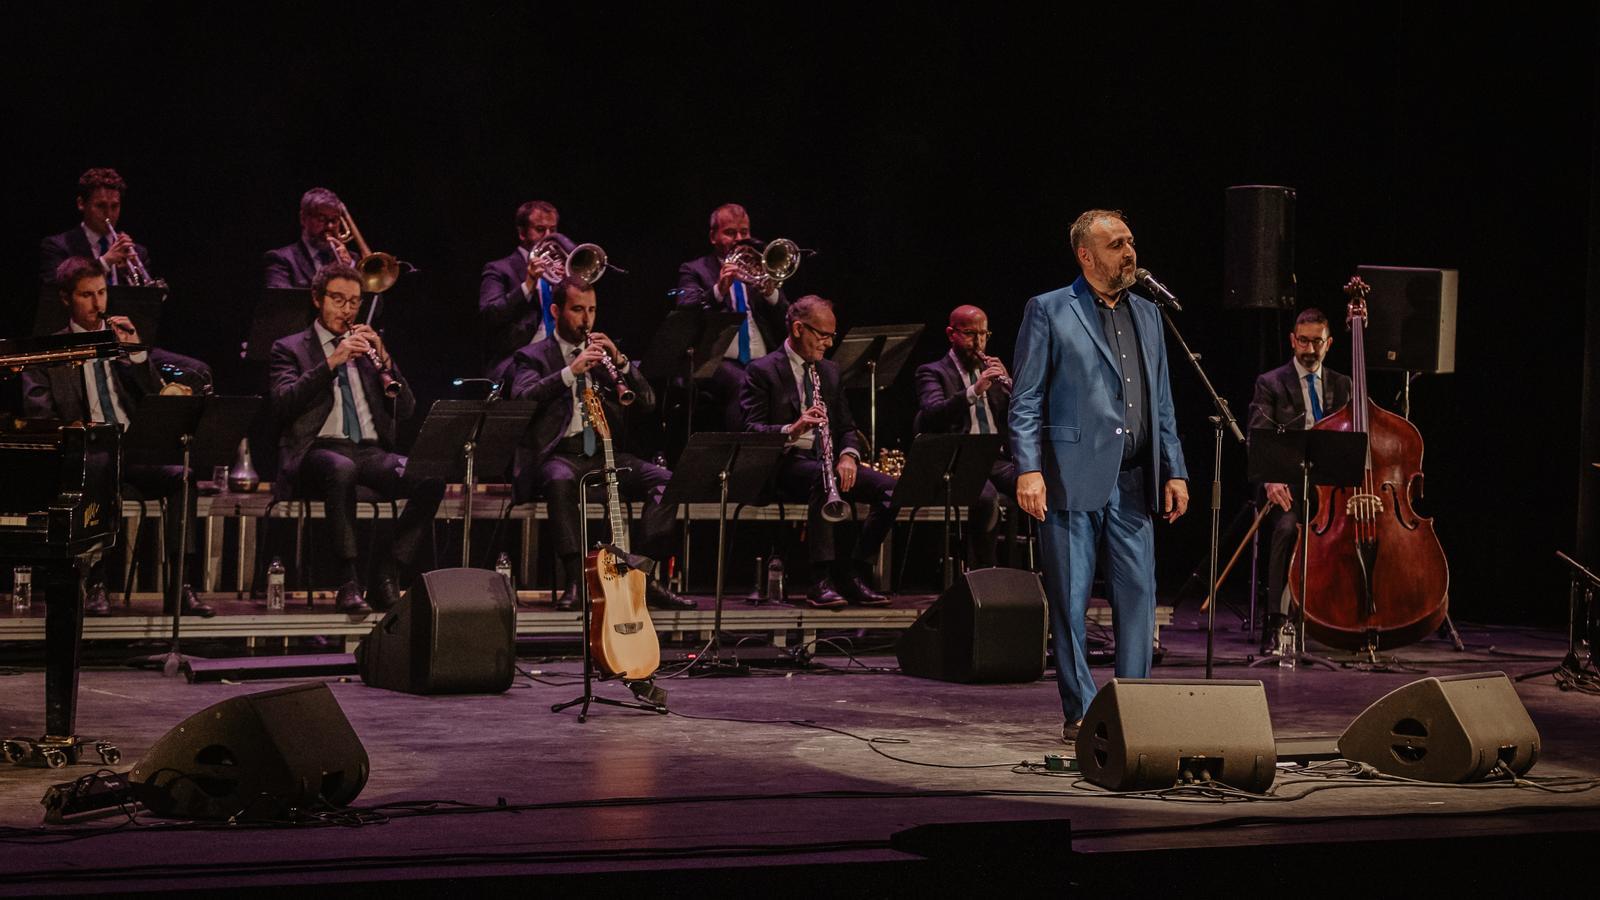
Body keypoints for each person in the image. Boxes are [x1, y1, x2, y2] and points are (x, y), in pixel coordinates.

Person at [1010, 209, 1189, 743]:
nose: (1129, 252)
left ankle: (1133, 705)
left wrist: (1174, 468)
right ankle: (1082, 710)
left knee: (1139, 595)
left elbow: (1162, 403)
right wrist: (1029, 469)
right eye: (1116, 245)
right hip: (1068, 475)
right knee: (1069, 599)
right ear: (1085, 256)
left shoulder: (1150, 315)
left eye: (1131, 241)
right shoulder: (1048, 310)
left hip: (1134, 478)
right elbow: (1025, 399)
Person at [22, 257, 213, 618]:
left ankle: (181, 587)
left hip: (134, 449)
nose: (98, 305)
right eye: (86, 296)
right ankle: (96, 582)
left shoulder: (123, 343)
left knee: (183, 479)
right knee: (102, 467)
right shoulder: (47, 352)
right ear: (66, 299)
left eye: (102, 293)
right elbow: (39, 417)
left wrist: (138, 354)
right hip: (86, 454)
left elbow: (159, 396)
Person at [507, 276, 694, 613]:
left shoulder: (605, 355)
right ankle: (576, 579)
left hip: (606, 454)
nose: (586, 319)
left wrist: (621, 362)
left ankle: (644, 573)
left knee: (666, 481)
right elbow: (522, 398)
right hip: (560, 454)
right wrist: (570, 372)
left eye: (592, 310)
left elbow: (648, 402)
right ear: (555, 310)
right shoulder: (533, 356)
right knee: (560, 479)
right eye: (578, 309)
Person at [268, 263, 444, 613]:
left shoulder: (367, 351)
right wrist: (332, 361)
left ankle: (387, 571)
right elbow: (283, 403)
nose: (347, 310)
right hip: (317, 449)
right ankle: (348, 581)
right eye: (338, 300)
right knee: (340, 469)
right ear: (318, 299)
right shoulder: (289, 348)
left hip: (368, 451)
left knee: (430, 477)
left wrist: (386, 360)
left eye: (354, 302)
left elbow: (406, 409)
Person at [739, 295, 895, 609]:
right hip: (783, 463)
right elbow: (750, 431)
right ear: (798, 329)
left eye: (831, 336)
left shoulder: (830, 371)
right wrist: (792, 429)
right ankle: (820, 580)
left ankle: (854, 570)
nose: (827, 343)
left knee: (892, 490)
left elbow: (847, 427)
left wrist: (848, 454)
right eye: (822, 335)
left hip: (825, 460)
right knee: (826, 482)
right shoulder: (762, 370)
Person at [1247, 307, 1352, 654]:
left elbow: (1355, 438)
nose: (1309, 350)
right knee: (1287, 529)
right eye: (1303, 341)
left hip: (1331, 489)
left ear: (1329, 343)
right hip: (1287, 486)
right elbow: (1258, 437)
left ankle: (1343, 620)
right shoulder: (1271, 383)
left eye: (1317, 342)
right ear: (1293, 340)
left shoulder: (1342, 384)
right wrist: (1270, 481)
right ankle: (1275, 623)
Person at [914, 304, 1019, 568]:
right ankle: (983, 573)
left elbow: (1016, 417)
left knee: (1035, 486)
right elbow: (933, 414)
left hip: (995, 457)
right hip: (958, 459)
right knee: (986, 498)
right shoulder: (933, 372)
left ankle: (1033, 572)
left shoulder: (994, 373)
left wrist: (1011, 387)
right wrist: (975, 390)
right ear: (951, 334)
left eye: (984, 334)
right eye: (971, 334)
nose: (979, 342)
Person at [676, 203, 791, 429]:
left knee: (791, 377)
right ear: (713, 236)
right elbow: (686, 309)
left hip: (761, 357)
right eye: (730, 233)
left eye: (744, 232)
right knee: (743, 381)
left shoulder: (759, 266)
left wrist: (771, 293)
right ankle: (738, 454)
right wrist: (719, 289)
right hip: (714, 359)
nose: (739, 239)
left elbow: (787, 317)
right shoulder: (695, 269)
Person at [479, 200, 562, 384]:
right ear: (522, 233)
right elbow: (489, 314)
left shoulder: (560, 271)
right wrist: (528, 284)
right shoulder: (499, 269)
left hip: (558, 359)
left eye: (553, 230)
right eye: (540, 230)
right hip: (517, 363)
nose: (549, 237)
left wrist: (569, 284)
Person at [39, 168, 151, 286]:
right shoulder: (57, 247)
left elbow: (145, 301)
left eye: (115, 206)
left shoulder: (138, 252)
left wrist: (130, 273)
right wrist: (105, 263)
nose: (109, 213)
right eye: (100, 205)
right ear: (81, 203)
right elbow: (54, 290)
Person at [263, 188, 348, 290]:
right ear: (303, 218)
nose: (330, 226)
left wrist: (349, 271)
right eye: (321, 219)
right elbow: (281, 303)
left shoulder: (352, 261)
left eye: (334, 220)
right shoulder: (281, 259)